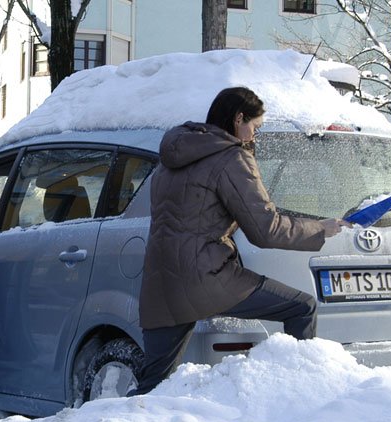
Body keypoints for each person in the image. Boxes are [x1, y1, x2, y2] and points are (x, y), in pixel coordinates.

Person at [133, 87, 350, 396]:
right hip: (206, 277)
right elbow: (264, 230)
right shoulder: (230, 157)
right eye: (255, 127)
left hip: (161, 281)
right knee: (302, 308)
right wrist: (319, 229)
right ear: (238, 119)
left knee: (150, 389)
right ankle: (303, 396)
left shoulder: (173, 155)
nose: (254, 137)